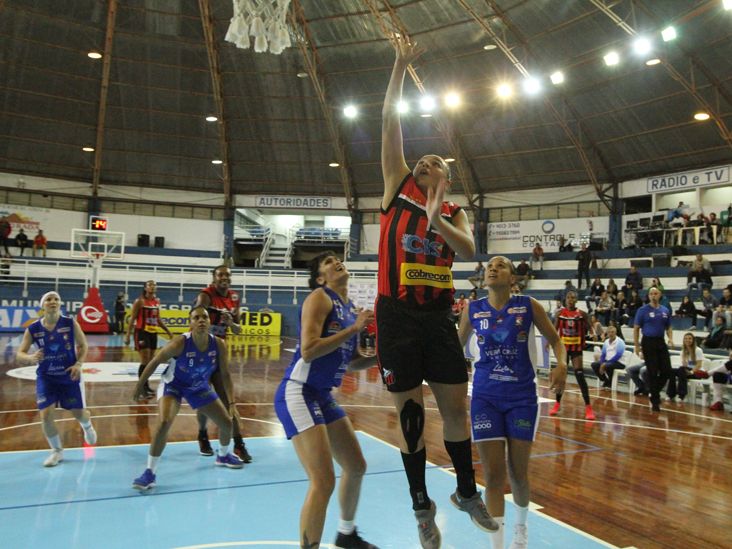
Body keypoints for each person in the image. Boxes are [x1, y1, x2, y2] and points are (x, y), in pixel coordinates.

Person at [380, 36, 496, 548]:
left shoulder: (453, 212)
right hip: (397, 314)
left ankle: (466, 492)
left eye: (436, 163)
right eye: (422, 160)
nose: (425, 162)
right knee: (410, 415)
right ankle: (420, 505)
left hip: (438, 318)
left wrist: (436, 219)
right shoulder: (395, 185)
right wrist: (401, 66)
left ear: (446, 178)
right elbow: (389, 123)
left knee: (455, 407)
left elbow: (469, 250)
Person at [458, 255, 567, 549]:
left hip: (521, 398)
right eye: (490, 266)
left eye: (501, 266)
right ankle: (498, 545)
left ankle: (521, 528)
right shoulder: (472, 309)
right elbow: (455, 350)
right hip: (484, 397)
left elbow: (556, 340)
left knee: (518, 473)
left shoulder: (529, 306)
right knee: (493, 475)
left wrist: (562, 365)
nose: (493, 269)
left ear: (512, 278)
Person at [274, 251, 379, 549]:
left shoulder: (349, 308)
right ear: (321, 277)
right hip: (299, 391)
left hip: (321, 394)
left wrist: (380, 358)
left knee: (356, 465)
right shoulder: (320, 298)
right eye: (328, 261)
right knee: (323, 481)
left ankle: (346, 534)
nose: (337, 261)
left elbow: (352, 361)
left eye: (338, 258)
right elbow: (308, 350)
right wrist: (354, 328)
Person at [131, 306, 244, 490]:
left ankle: (223, 455)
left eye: (204, 317)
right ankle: (149, 473)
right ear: (190, 323)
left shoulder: (219, 344)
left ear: (209, 322)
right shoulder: (180, 343)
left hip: (198, 386)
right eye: (196, 318)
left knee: (227, 423)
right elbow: (154, 361)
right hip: (173, 385)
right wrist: (139, 386)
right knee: (164, 422)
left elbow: (226, 374)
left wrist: (232, 403)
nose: (201, 320)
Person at [15, 291, 97, 467]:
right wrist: (30, 358)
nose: (53, 302)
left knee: (78, 413)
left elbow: (83, 345)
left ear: (60, 304)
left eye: (56, 299)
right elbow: (19, 353)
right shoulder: (33, 329)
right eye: (48, 300)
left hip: (69, 375)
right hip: (46, 378)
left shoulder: (69, 323)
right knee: (45, 415)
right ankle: (57, 451)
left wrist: (79, 364)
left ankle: (87, 425)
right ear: (42, 305)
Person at [194, 264, 251, 463]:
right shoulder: (205, 296)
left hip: (220, 350)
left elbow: (238, 329)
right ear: (214, 278)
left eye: (227, 275)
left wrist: (230, 323)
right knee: (204, 399)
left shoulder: (234, 297)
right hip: (202, 353)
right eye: (220, 275)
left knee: (228, 399)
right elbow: (194, 323)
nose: (224, 277)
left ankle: (239, 444)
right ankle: (202, 435)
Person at [549, 291, 595, 420]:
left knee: (579, 375)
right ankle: (557, 403)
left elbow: (591, 327)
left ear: (576, 300)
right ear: (565, 300)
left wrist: (594, 333)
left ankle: (588, 407)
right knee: (561, 376)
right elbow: (554, 330)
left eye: (573, 297)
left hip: (576, 348)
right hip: (563, 349)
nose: (570, 299)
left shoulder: (582, 314)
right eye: (568, 297)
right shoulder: (560, 314)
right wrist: (549, 342)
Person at [124, 281, 173, 398]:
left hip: (153, 333)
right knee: (145, 360)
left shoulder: (157, 301)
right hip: (141, 332)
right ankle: (140, 388)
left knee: (151, 362)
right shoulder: (139, 301)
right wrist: (127, 335)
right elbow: (132, 319)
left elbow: (158, 319)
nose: (152, 287)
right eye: (150, 285)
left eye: (154, 285)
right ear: (145, 288)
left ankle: (146, 386)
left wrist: (167, 331)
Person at [633, 287, 674, 412]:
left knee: (667, 370)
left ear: (660, 294)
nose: (653, 296)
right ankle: (655, 400)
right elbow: (636, 328)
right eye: (651, 294)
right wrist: (637, 345)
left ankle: (652, 390)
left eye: (655, 293)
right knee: (652, 371)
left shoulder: (665, 310)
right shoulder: (642, 310)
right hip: (648, 342)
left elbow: (669, 327)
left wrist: (670, 338)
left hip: (660, 341)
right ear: (648, 296)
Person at [666, 332, 706, 402]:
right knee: (672, 371)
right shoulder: (683, 351)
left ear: (693, 340)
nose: (687, 340)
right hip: (684, 371)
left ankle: (681, 395)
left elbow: (699, 365)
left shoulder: (698, 350)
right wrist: (684, 362)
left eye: (690, 338)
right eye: (686, 339)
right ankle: (671, 394)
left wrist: (691, 372)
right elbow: (684, 365)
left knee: (681, 370)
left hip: (696, 371)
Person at [591, 325, 626, 389]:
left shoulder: (620, 342)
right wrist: (602, 363)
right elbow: (603, 354)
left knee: (608, 366)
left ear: (615, 332)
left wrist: (605, 364)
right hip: (608, 361)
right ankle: (605, 380)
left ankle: (610, 382)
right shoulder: (606, 341)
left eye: (612, 332)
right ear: (607, 333)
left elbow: (618, 355)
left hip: (619, 362)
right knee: (594, 365)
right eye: (609, 332)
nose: (611, 334)